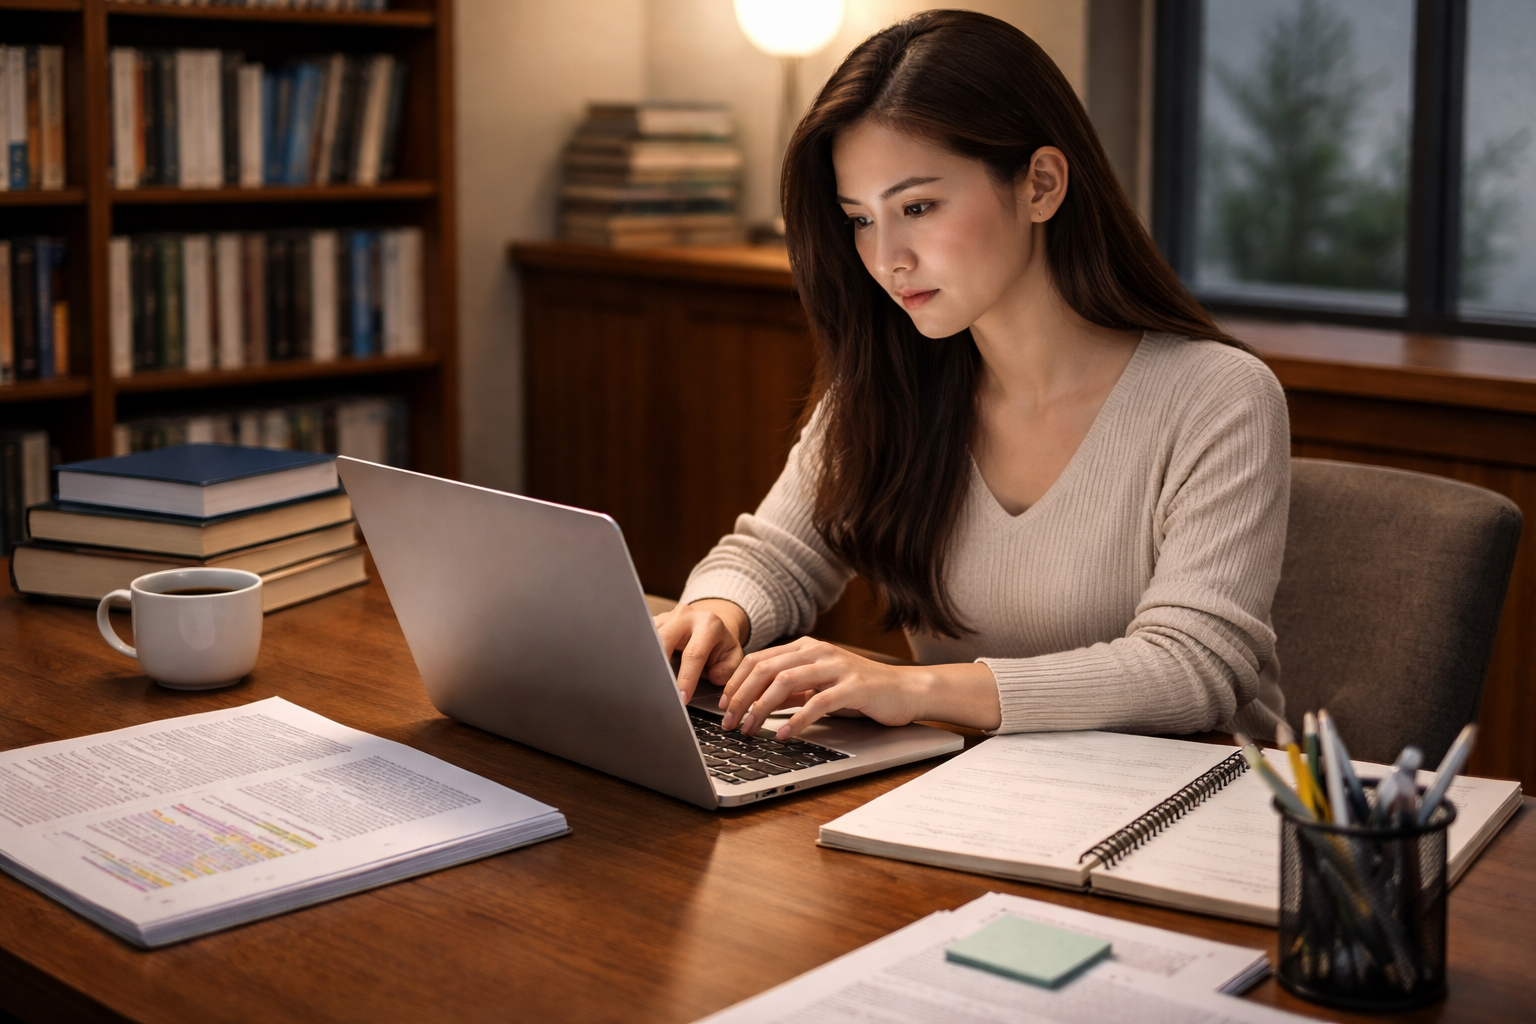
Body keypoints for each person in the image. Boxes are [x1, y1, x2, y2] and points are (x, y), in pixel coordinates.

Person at [655, 10, 1289, 744]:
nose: (887, 256)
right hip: (970, 801)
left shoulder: (1218, 397)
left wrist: (916, 687)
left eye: (918, 207)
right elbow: (776, 555)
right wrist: (717, 611)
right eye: (859, 219)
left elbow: (1194, 670)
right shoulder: (889, 380)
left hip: (1189, 814)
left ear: (1041, 186)